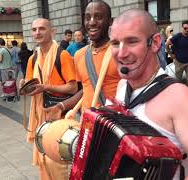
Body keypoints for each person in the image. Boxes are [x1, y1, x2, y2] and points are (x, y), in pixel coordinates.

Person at [110, 9, 188, 180]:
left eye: (132, 41)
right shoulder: (122, 86)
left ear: (155, 42)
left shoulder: (182, 99)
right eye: (115, 43)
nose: (121, 53)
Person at [21, 18, 78, 180]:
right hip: (41, 115)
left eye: (42, 29)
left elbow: (73, 88)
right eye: (34, 29)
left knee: (57, 160)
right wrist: (25, 86)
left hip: (59, 114)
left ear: (52, 31)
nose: (37, 32)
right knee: (44, 158)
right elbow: (31, 86)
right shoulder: (33, 58)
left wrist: (45, 87)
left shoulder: (62, 55)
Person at [52, 0, 120, 116]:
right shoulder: (79, 55)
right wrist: (61, 106)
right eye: (88, 18)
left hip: (115, 126)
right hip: (88, 126)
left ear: (110, 21)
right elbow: (86, 89)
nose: (92, 22)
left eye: (98, 17)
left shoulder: (120, 52)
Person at [166, 20, 188, 89]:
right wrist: (171, 54)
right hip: (179, 62)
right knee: (178, 80)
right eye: (185, 28)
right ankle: (178, 94)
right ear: (182, 28)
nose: (187, 30)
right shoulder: (177, 36)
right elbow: (166, 44)